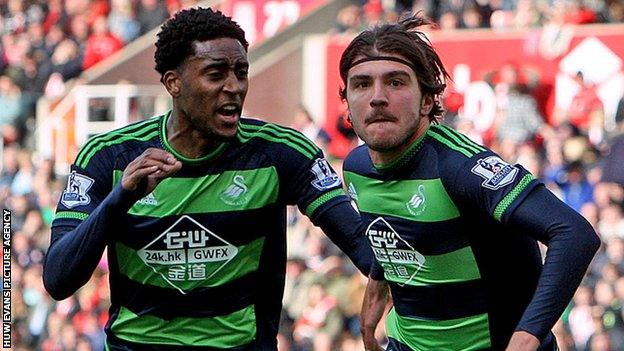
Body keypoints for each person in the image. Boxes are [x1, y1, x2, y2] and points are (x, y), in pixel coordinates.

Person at [43, 7, 373, 350]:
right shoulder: (109, 155)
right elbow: (58, 278)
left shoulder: (282, 154)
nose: (234, 87)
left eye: (241, 72)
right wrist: (121, 198)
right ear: (174, 83)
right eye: (216, 74)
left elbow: (363, 247)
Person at [338, 14, 601, 351]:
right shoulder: (356, 167)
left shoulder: (459, 168)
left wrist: (528, 335)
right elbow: (393, 227)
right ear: (346, 101)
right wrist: (377, 285)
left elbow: (574, 233)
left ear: (427, 99)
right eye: (362, 84)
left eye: (396, 82)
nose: (377, 97)